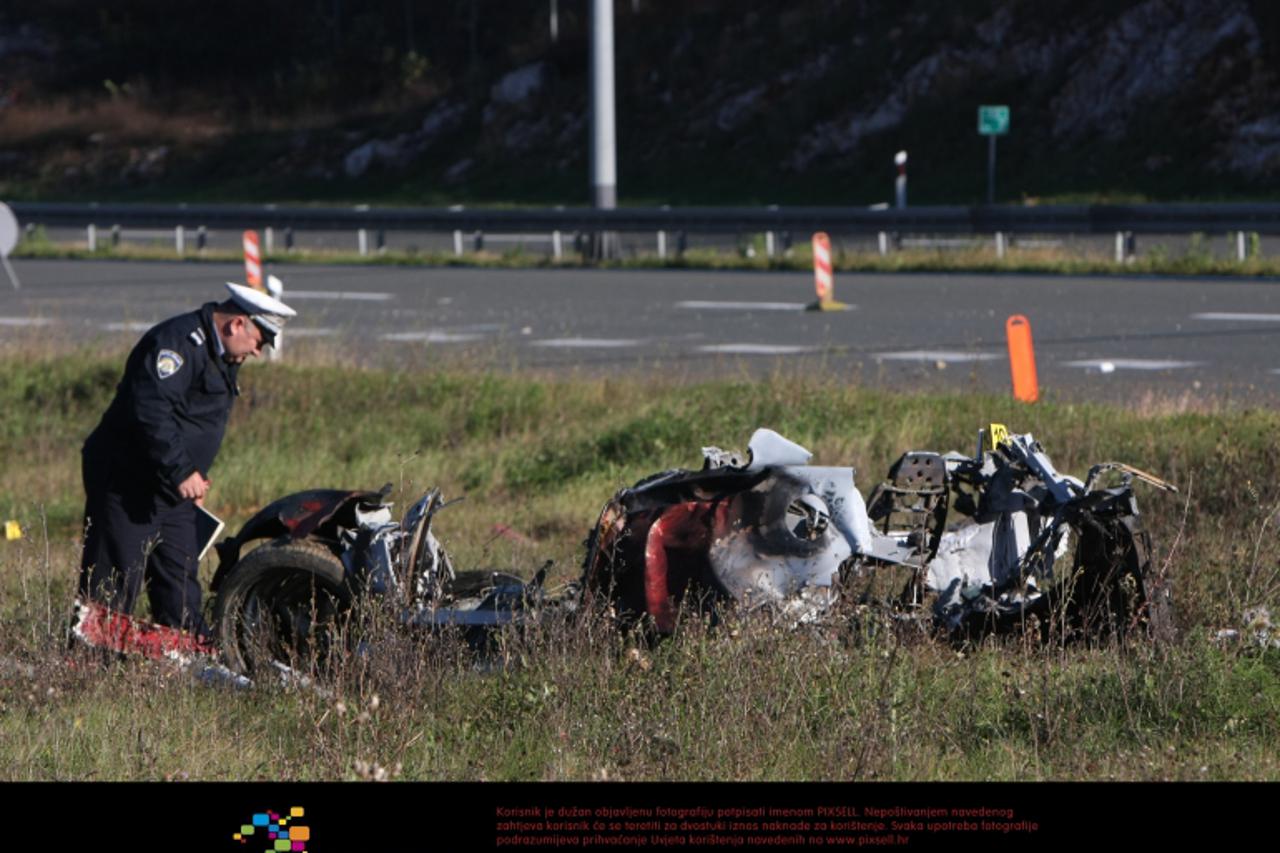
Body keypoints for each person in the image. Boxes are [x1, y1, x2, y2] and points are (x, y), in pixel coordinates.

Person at [77, 282, 296, 643]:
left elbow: (193, 419)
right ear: (237, 324)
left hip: (172, 490)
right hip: (128, 482)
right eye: (260, 340)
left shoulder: (223, 353)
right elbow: (151, 412)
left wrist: (193, 476)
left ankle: (185, 663)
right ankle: (86, 666)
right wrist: (181, 470)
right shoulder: (177, 343)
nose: (258, 352)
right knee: (114, 580)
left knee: (179, 583)